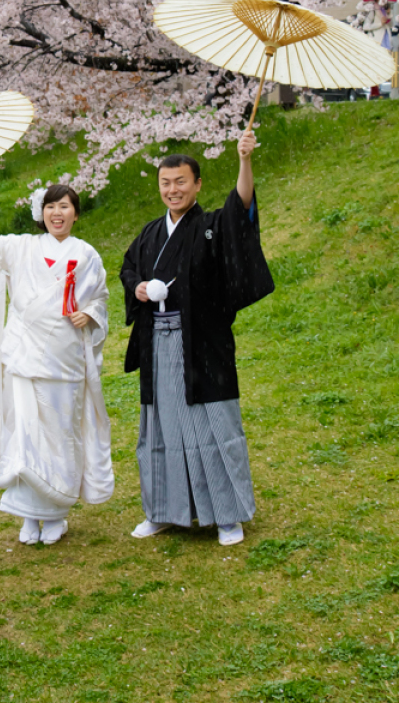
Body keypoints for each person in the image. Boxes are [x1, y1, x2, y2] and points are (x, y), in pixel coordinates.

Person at [0, 182, 114, 546]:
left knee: (59, 433)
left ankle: (56, 513)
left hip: (64, 360)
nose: (57, 214)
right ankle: (29, 514)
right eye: (50, 207)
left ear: (75, 214)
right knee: (24, 433)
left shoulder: (86, 255)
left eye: (64, 207)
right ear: (41, 213)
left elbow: (99, 299)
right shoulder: (22, 247)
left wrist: (90, 314)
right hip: (23, 355)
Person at [120, 132, 274, 548]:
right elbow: (129, 268)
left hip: (202, 344)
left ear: (197, 184)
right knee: (162, 431)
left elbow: (240, 210)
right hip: (158, 343)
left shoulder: (209, 226)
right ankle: (163, 512)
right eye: (166, 183)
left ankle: (227, 516)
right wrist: (137, 289)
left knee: (215, 426)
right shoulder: (151, 234)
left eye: (181, 182)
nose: (173, 190)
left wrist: (245, 160)